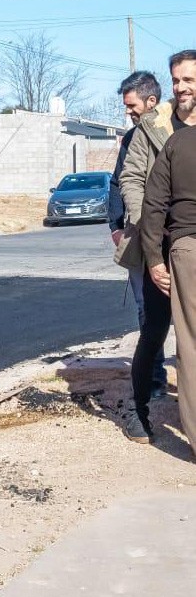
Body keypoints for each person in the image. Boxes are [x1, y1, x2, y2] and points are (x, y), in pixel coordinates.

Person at [122, 50, 196, 443]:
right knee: (154, 327)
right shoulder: (151, 127)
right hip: (160, 241)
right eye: (177, 80)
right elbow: (130, 178)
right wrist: (146, 221)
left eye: (189, 80)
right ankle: (135, 407)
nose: (182, 88)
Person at [108, 71, 168, 397]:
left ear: (151, 101)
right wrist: (116, 226)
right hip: (141, 238)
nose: (129, 112)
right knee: (148, 311)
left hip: (179, 237)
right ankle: (154, 379)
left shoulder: (177, 132)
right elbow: (120, 182)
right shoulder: (132, 139)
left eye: (132, 105)